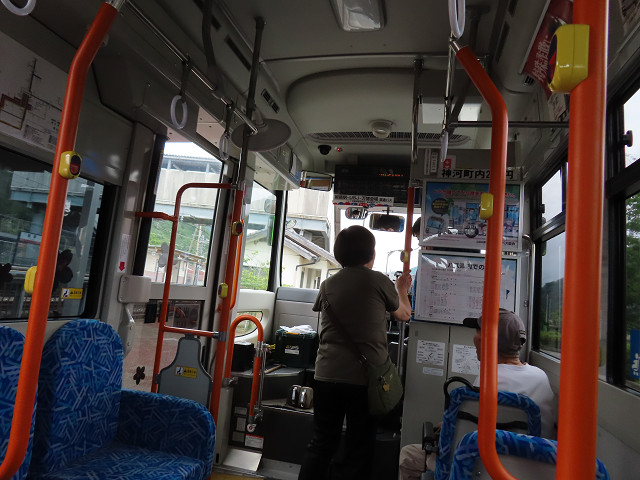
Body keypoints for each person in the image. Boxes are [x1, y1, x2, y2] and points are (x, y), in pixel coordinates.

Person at [298, 225, 412, 480]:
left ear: (339, 255)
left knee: (322, 442)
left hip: (326, 375)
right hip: (364, 379)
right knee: (358, 446)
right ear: (371, 254)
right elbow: (404, 314)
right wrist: (402, 289)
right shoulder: (378, 280)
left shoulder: (327, 284)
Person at [398, 309, 555, 480]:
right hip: (526, 471)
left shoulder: (487, 380)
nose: (475, 338)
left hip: (477, 468)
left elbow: (468, 435)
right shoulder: (541, 377)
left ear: (487, 340)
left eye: (478, 332)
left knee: (408, 456)